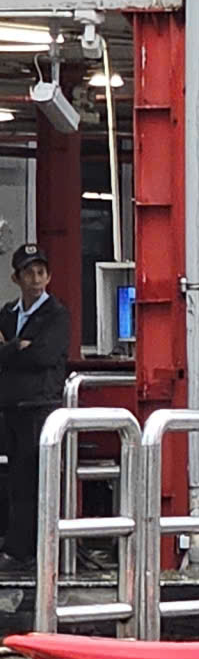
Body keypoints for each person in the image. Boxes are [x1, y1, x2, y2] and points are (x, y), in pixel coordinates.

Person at [0, 244, 70, 571]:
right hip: (11, 408)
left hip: (40, 407)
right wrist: (19, 348)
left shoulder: (57, 314)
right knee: (14, 479)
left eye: (41, 272)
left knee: (33, 479)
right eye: (28, 272)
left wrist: (10, 351)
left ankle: (27, 550)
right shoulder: (7, 313)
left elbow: (45, 356)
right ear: (16, 277)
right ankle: (15, 544)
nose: (36, 279)